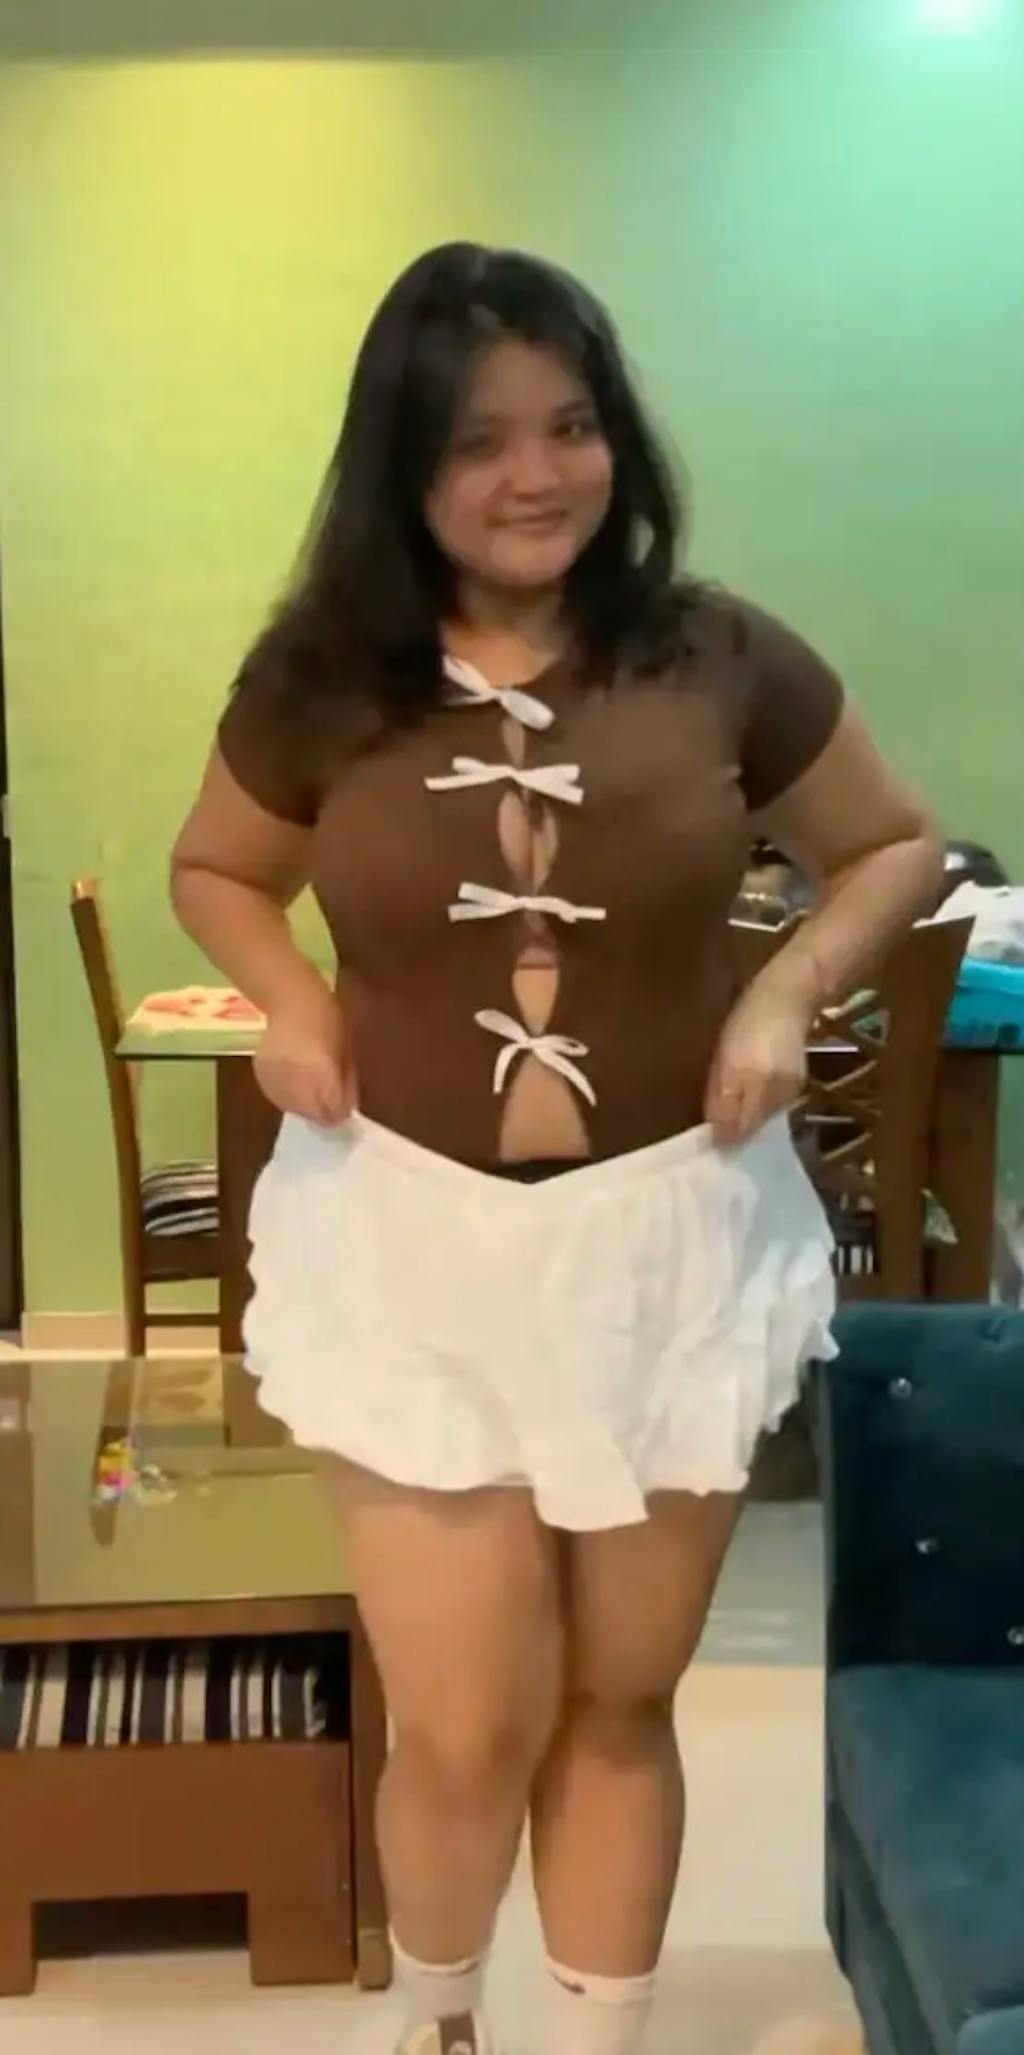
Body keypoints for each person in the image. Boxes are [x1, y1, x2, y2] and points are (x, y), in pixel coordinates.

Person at [170, 244, 943, 2055]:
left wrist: (785, 994)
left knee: (620, 1699)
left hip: (672, 1237)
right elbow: (215, 867)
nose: (538, 475)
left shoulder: (721, 654)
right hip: (409, 1238)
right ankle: (439, 2026)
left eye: (573, 426)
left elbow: (896, 848)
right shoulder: (321, 676)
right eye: (479, 441)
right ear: (404, 467)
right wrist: (294, 1000)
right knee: (463, 1721)